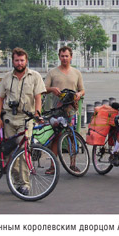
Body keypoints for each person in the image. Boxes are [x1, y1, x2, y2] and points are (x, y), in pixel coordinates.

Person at [0, 47, 46, 195]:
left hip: (26, 119)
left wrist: (37, 114)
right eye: (16, 60)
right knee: (11, 152)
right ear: (12, 61)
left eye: (22, 60)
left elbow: (38, 98)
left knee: (23, 151)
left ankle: (24, 184)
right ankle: (15, 180)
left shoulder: (34, 76)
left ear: (26, 61)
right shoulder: (7, 77)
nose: (19, 63)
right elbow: (0, 98)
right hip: (9, 119)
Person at [44, 46, 85, 174]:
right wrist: (52, 89)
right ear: (59, 57)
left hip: (71, 109)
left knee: (72, 136)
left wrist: (79, 94)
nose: (64, 58)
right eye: (62, 56)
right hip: (56, 110)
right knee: (55, 137)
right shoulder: (52, 72)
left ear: (71, 57)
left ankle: (73, 164)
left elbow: (82, 89)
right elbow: (44, 88)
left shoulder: (76, 73)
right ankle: (53, 165)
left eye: (67, 56)